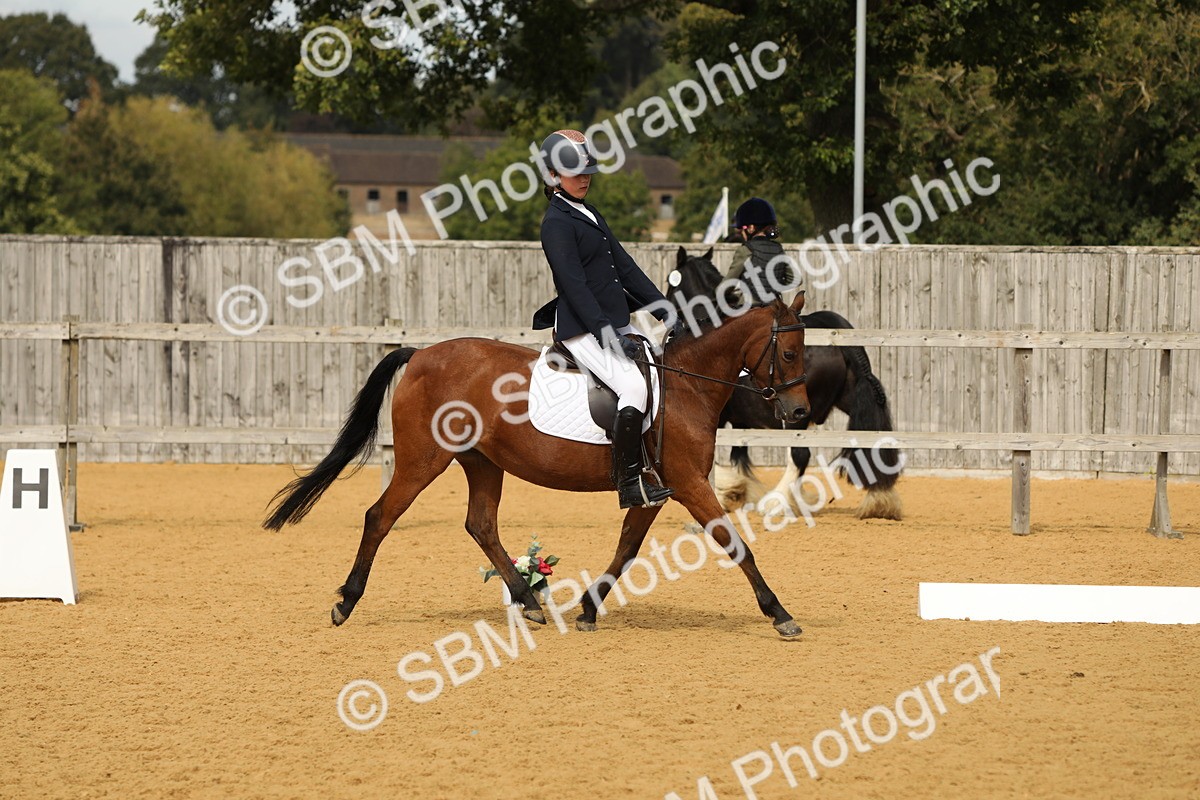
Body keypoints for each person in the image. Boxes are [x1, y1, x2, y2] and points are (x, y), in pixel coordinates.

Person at [531, 129, 674, 509]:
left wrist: (667, 311)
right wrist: (608, 335)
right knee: (634, 388)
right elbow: (574, 286)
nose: (585, 178)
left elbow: (625, 268)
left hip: (612, 322)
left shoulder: (589, 213)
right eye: (575, 172)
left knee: (658, 372)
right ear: (552, 175)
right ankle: (628, 482)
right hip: (582, 329)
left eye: (588, 171)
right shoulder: (556, 223)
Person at [726, 197, 796, 304]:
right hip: (774, 306)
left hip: (749, 307)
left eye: (743, 229)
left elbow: (727, 285)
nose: (742, 233)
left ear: (751, 228)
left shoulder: (745, 250)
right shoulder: (778, 249)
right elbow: (794, 279)